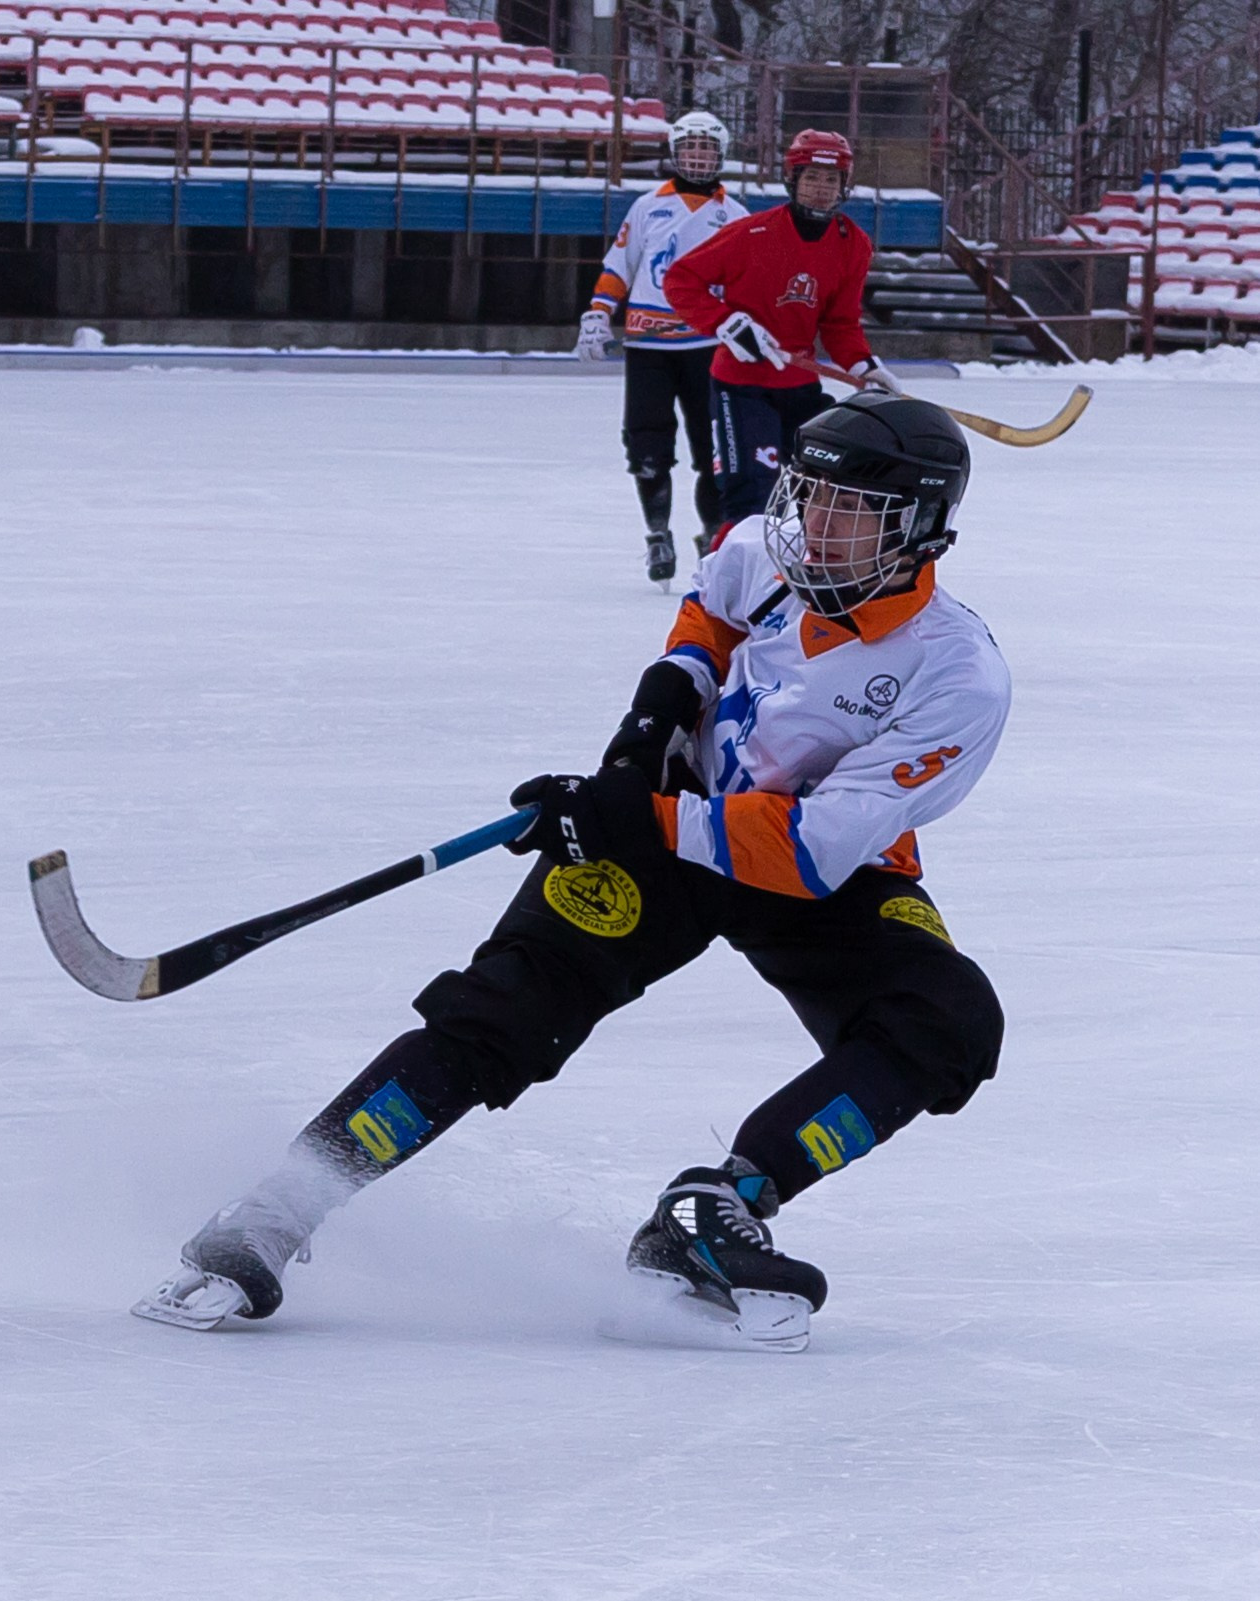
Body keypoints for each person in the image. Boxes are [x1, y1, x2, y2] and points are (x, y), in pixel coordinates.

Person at [135, 393, 1007, 1353]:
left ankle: (718, 1210)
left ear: (922, 528)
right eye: (809, 495)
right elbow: (706, 623)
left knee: (947, 1022)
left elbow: (810, 849)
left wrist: (635, 814)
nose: (813, 526)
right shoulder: (765, 554)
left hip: (813, 871)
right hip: (671, 826)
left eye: (851, 511)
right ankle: (278, 1208)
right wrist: (643, 741)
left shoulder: (954, 673)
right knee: (496, 1014)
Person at [662, 128, 896, 526]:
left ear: (844, 185)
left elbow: (839, 323)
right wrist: (728, 324)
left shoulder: (852, 243)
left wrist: (863, 366)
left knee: (823, 489)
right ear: (793, 179)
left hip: (800, 387)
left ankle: (810, 579)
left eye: (830, 180)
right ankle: (727, 580)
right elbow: (680, 280)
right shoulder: (751, 234)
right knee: (754, 497)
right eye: (811, 178)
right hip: (742, 387)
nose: (821, 189)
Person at [577, 110, 747, 586]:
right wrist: (598, 311)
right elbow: (620, 264)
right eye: (689, 147)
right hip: (649, 345)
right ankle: (657, 535)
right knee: (648, 447)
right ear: (674, 152)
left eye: (707, 149)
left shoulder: (735, 217)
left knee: (713, 452)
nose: (697, 157)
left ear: (721, 155)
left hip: (709, 347)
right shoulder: (647, 206)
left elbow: (749, 282)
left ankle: (713, 535)